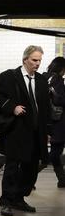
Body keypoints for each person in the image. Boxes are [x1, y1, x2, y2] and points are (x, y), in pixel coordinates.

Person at [0, 45, 50, 216]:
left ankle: (18, 198)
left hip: (36, 132)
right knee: (12, 167)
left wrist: (48, 130)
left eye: (39, 60)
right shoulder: (9, 77)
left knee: (31, 169)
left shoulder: (41, 80)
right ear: (25, 59)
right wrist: (12, 107)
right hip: (16, 131)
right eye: (34, 60)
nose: (37, 64)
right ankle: (6, 201)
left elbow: (45, 107)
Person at [44, 56, 65, 187]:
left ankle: (62, 179)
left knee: (55, 151)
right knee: (55, 152)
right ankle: (27, 177)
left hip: (48, 120)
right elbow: (59, 100)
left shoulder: (43, 77)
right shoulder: (57, 79)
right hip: (59, 121)